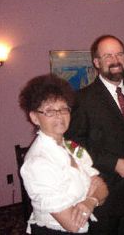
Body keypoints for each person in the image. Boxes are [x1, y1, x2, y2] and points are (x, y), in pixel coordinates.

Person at [65, 35, 124, 235]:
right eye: (107, 55)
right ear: (96, 62)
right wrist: (113, 162)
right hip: (103, 195)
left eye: (119, 54)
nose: (115, 60)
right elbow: (72, 145)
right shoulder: (82, 99)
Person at [18, 74, 108, 234]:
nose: (59, 115)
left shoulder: (70, 146)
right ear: (34, 117)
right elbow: (72, 224)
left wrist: (89, 201)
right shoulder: (38, 163)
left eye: (63, 108)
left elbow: (103, 188)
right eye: (50, 111)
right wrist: (92, 198)